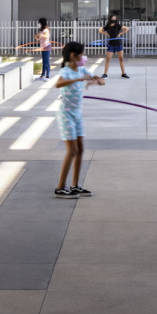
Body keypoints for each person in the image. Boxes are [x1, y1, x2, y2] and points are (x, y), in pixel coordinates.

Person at [53, 40, 103, 197]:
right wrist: (78, 79)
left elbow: (102, 80)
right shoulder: (67, 71)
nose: (84, 56)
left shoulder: (83, 69)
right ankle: (60, 187)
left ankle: (75, 185)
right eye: (82, 54)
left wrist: (94, 81)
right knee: (72, 150)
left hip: (77, 113)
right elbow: (58, 84)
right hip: (65, 113)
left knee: (80, 149)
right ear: (74, 56)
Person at [101, 12, 129, 79]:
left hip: (118, 43)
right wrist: (106, 34)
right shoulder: (107, 26)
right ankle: (105, 74)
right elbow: (100, 30)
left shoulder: (118, 25)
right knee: (108, 59)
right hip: (111, 44)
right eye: (112, 18)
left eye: (115, 18)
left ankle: (123, 73)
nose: (114, 19)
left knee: (121, 59)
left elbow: (127, 28)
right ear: (110, 19)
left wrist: (120, 33)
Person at [35, 18, 52, 82]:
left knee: (47, 62)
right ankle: (42, 75)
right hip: (43, 47)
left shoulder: (46, 29)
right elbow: (39, 38)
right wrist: (36, 36)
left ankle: (47, 76)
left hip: (47, 47)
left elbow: (46, 36)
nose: (39, 24)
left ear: (42, 23)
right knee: (44, 62)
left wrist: (40, 35)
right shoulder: (41, 30)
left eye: (39, 23)